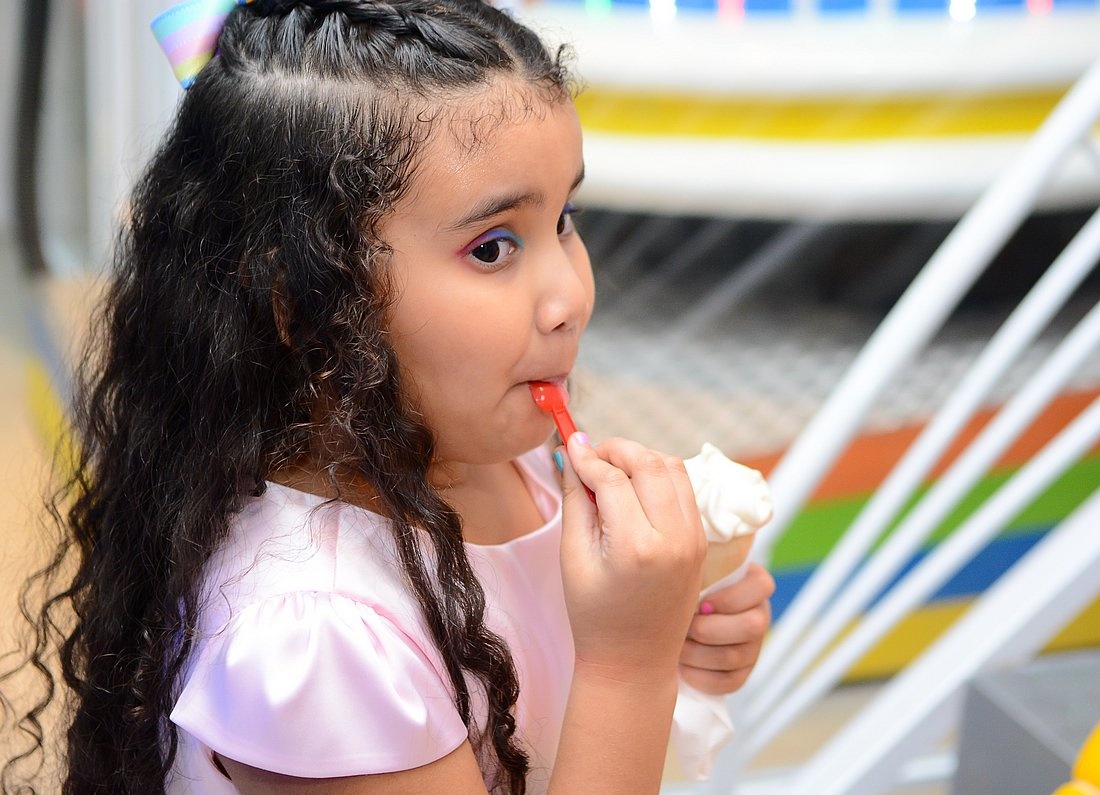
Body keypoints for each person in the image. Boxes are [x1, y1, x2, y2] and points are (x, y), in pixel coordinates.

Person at [3, 0, 774, 792]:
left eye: (565, 219)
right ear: (302, 301)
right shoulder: (314, 643)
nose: (572, 296)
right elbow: (608, 681)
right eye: (493, 247)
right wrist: (630, 666)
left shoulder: (490, 453)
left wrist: (675, 635)